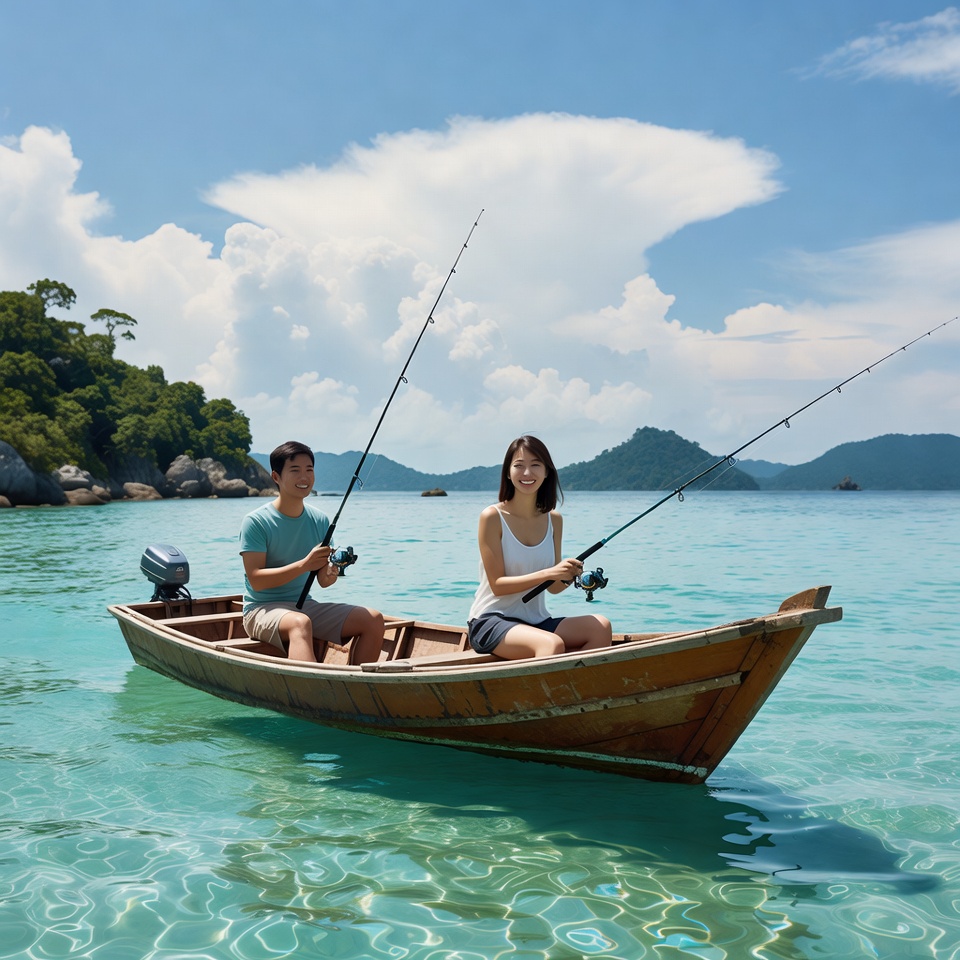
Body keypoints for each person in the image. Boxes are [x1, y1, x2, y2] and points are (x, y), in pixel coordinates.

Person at [467, 435, 613, 659]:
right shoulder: (492, 517)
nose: (527, 473)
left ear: (547, 472)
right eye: (519, 466)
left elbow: (553, 587)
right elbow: (497, 586)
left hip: (536, 621)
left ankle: (578, 691)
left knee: (601, 626)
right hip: (491, 621)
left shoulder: (554, 519)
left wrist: (568, 574)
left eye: (536, 465)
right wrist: (550, 572)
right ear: (508, 472)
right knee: (551, 645)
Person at [239, 440, 384, 664]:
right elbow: (256, 580)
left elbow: (323, 581)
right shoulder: (255, 521)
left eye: (309, 470)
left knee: (373, 619)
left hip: (304, 606)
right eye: (295, 471)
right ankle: (311, 694)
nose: (304, 477)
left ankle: (358, 687)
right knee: (300, 623)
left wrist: (331, 570)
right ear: (276, 477)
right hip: (260, 609)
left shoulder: (319, 520)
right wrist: (304, 565)